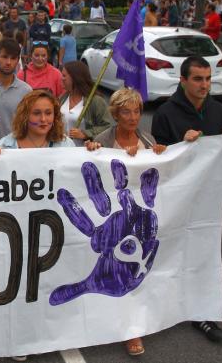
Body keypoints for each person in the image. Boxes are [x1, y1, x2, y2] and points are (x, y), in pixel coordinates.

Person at [151, 56, 222, 343]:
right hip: (176, 197)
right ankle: (163, 303)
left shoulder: (217, 111)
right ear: (183, 80)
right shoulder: (165, 113)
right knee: (170, 249)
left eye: (208, 79)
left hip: (208, 199)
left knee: (204, 250)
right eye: (198, 79)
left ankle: (202, 311)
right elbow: (158, 159)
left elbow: (220, 150)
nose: (205, 84)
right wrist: (179, 145)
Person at [84, 88, 166, 356]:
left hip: (139, 222)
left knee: (134, 274)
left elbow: (159, 175)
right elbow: (89, 170)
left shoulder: (148, 139)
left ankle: (133, 332)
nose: (133, 117)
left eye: (137, 111)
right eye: (126, 111)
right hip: (113, 220)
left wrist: (161, 154)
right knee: (112, 273)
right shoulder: (103, 140)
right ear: (116, 113)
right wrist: (93, 150)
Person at [0, 89, 75, 154]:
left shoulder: (66, 144)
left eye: (48, 113)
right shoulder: (4, 145)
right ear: (25, 116)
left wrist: (87, 152)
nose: (43, 119)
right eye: (36, 113)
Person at [60, 61, 113, 145]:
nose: (61, 78)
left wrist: (85, 134)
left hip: (84, 152)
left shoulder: (96, 101)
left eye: (64, 76)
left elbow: (107, 127)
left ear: (75, 77)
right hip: (63, 150)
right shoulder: (62, 98)